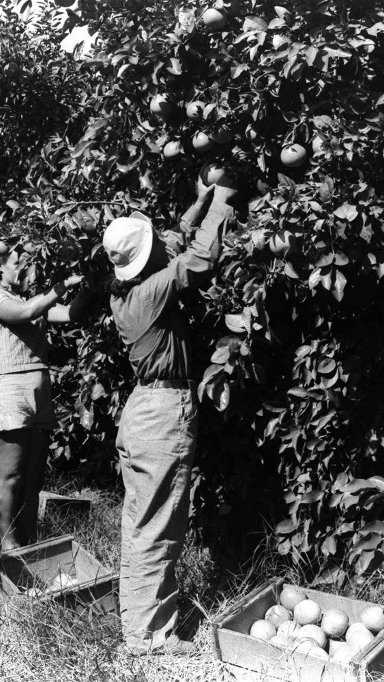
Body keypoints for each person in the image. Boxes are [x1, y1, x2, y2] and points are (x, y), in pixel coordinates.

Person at [102, 179, 238, 654]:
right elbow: (197, 261)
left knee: (142, 519)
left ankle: (140, 625)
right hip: (161, 413)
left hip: (143, 408)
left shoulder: (124, 289)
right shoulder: (152, 293)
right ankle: (149, 637)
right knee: (156, 523)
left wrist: (199, 202)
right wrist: (222, 202)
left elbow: (169, 245)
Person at [0, 240, 86, 550]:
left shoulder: (29, 300)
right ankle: (8, 549)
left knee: (33, 480)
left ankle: (28, 546)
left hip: (38, 397)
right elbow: (27, 311)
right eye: (19, 263)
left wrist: (89, 286)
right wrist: (60, 286)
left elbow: (70, 314)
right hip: (10, 395)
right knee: (11, 475)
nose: (26, 268)